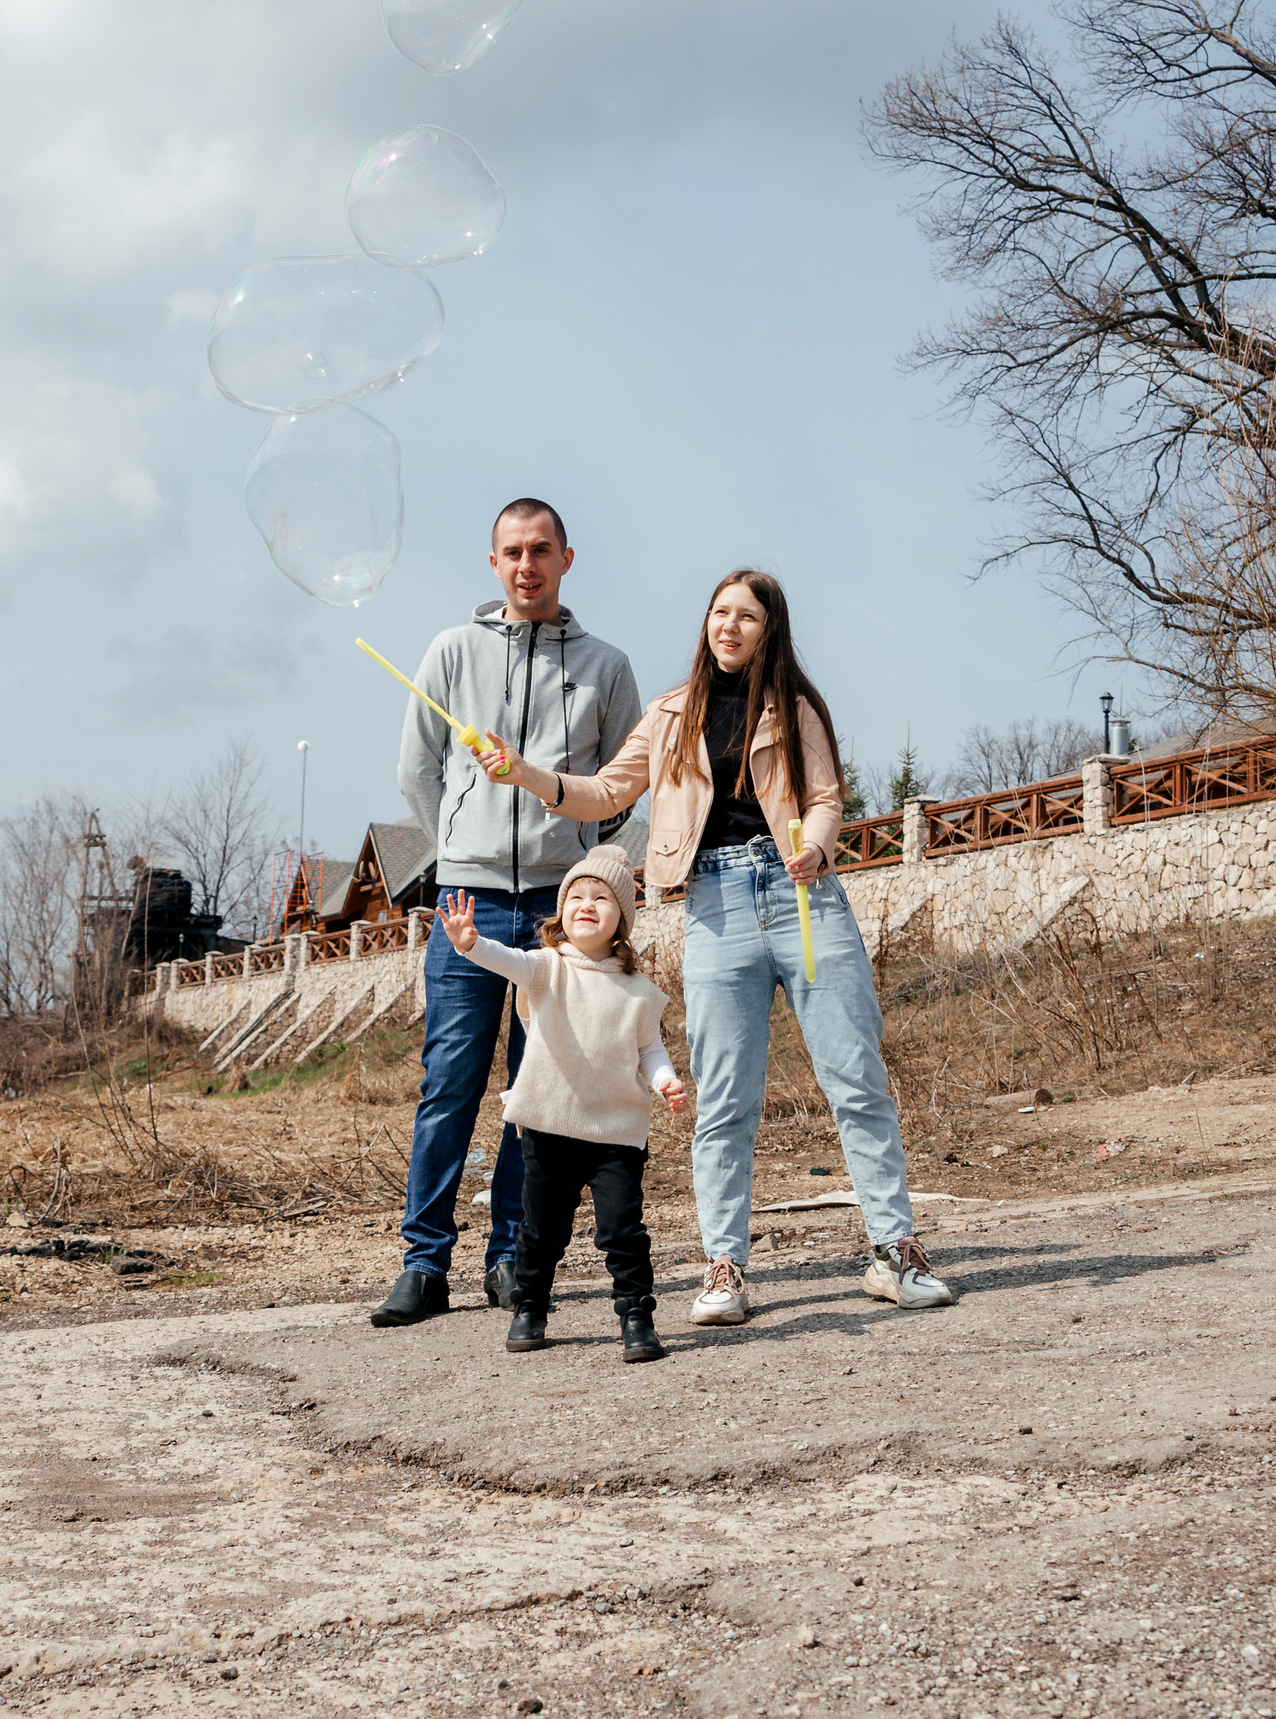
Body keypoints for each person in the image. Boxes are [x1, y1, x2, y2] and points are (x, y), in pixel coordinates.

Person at [468, 568, 958, 1326]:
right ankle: (725, 1267)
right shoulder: (670, 715)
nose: (728, 627)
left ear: (771, 631)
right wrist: (525, 773)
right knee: (726, 1097)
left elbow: (827, 799)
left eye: (747, 617)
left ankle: (895, 1251)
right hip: (716, 903)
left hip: (803, 898)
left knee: (854, 1077)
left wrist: (819, 850)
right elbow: (604, 793)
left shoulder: (796, 708)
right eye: (719, 613)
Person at [372, 498, 645, 1328]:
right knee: (449, 1079)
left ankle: (508, 1260)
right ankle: (424, 1264)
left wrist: (583, 857)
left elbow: (626, 784)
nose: (526, 564)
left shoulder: (607, 664)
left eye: (541, 550)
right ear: (493, 564)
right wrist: (460, 841)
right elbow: (417, 771)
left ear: (567, 558)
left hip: (561, 912)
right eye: (511, 552)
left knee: (538, 1087)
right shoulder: (451, 652)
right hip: (469, 895)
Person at [438, 844, 685, 1363]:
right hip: (551, 1125)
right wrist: (470, 944)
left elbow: (648, 1048)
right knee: (541, 1229)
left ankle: (637, 1317)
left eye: (601, 897)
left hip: (617, 1131)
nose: (586, 904)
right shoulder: (547, 968)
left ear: (622, 919)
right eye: (576, 895)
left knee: (622, 1229)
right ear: (561, 911)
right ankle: (529, 1307)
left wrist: (664, 1081)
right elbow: (505, 961)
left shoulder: (638, 990)